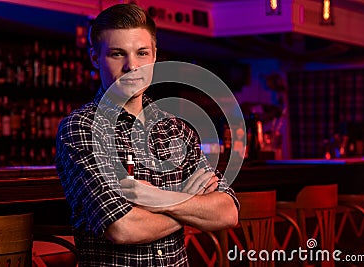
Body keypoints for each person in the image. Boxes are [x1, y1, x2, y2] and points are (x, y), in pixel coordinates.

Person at [55, 3, 239, 266]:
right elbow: (123, 228)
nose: (132, 66)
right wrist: (189, 201)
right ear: (95, 58)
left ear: (154, 56)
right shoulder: (80, 129)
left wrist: (155, 199)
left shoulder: (175, 128)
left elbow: (227, 212)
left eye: (142, 53)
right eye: (118, 54)